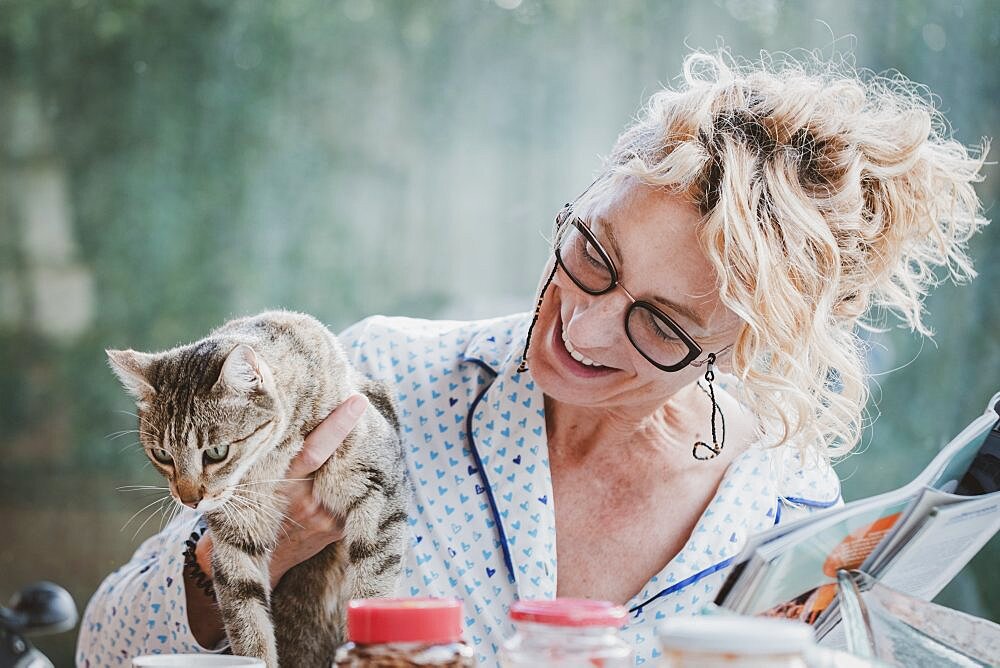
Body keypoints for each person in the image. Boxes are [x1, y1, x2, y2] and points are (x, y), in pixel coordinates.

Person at [76, 50, 989, 666]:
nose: (583, 331)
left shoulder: (791, 513)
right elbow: (106, 650)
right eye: (593, 254)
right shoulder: (380, 382)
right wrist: (260, 550)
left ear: (749, 342)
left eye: (662, 326)